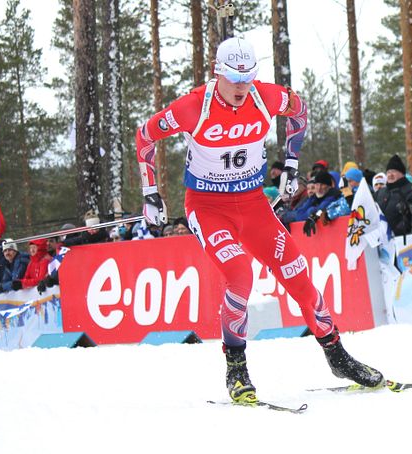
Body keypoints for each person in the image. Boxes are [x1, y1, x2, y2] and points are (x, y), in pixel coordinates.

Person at [134, 37, 383, 403]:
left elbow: (299, 112)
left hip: (253, 205)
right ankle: (236, 366)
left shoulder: (265, 96)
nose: (240, 86)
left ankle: (337, 354)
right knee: (239, 273)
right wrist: (150, 192)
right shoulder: (193, 107)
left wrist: (292, 163)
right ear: (218, 72)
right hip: (207, 207)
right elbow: (144, 137)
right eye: (233, 78)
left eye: (248, 77)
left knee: (297, 272)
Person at [375, 154, 412, 236]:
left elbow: (411, 217)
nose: (390, 175)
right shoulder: (380, 192)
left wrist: (396, 231)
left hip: (402, 238)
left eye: (393, 172)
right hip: (381, 238)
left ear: (401, 173)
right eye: (388, 172)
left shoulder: (411, 190)